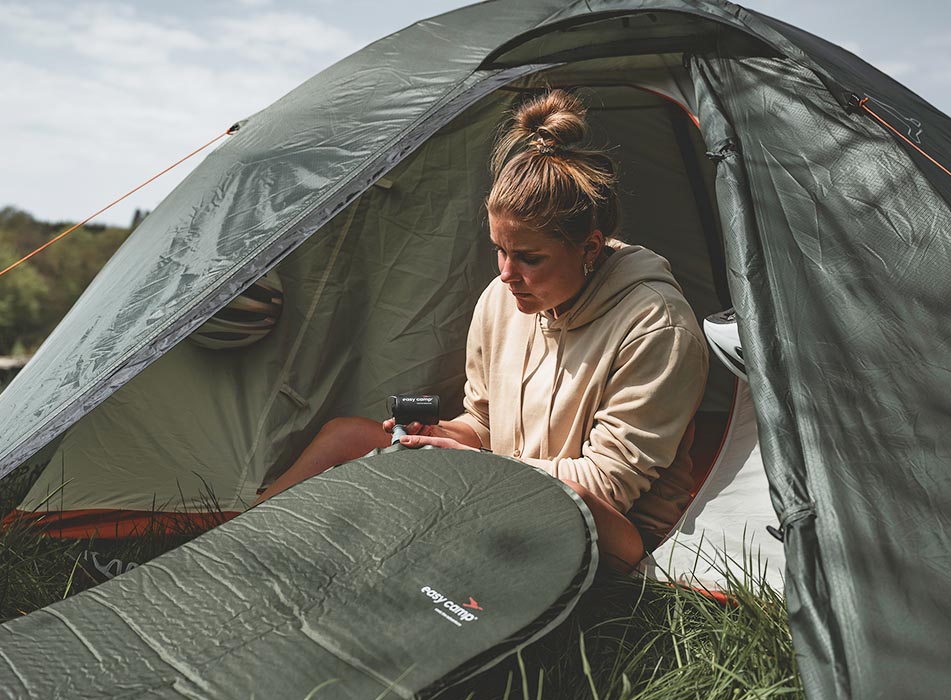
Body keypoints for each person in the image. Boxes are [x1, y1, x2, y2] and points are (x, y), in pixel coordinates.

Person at [254, 90, 708, 573]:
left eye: (529, 258)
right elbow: (484, 424)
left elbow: (604, 487)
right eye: (499, 250)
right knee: (344, 436)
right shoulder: (501, 298)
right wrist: (438, 437)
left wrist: (473, 468)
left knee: (549, 500)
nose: (507, 274)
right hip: (501, 488)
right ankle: (240, 542)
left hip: (611, 531)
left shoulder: (656, 325)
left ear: (590, 248)